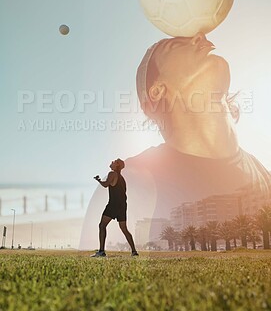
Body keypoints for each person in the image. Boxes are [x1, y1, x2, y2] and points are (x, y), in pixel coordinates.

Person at [80, 33, 271, 250]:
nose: (201, 36)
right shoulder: (135, 177)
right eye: (174, 47)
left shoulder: (262, 173)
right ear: (158, 90)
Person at [91, 158, 139, 257]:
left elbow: (105, 185)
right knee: (124, 229)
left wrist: (99, 180)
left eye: (114, 161)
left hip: (113, 204)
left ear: (116, 165)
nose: (112, 162)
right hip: (122, 206)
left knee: (102, 225)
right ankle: (134, 252)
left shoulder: (112, 173)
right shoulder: (122, 179)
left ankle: (101, 251)